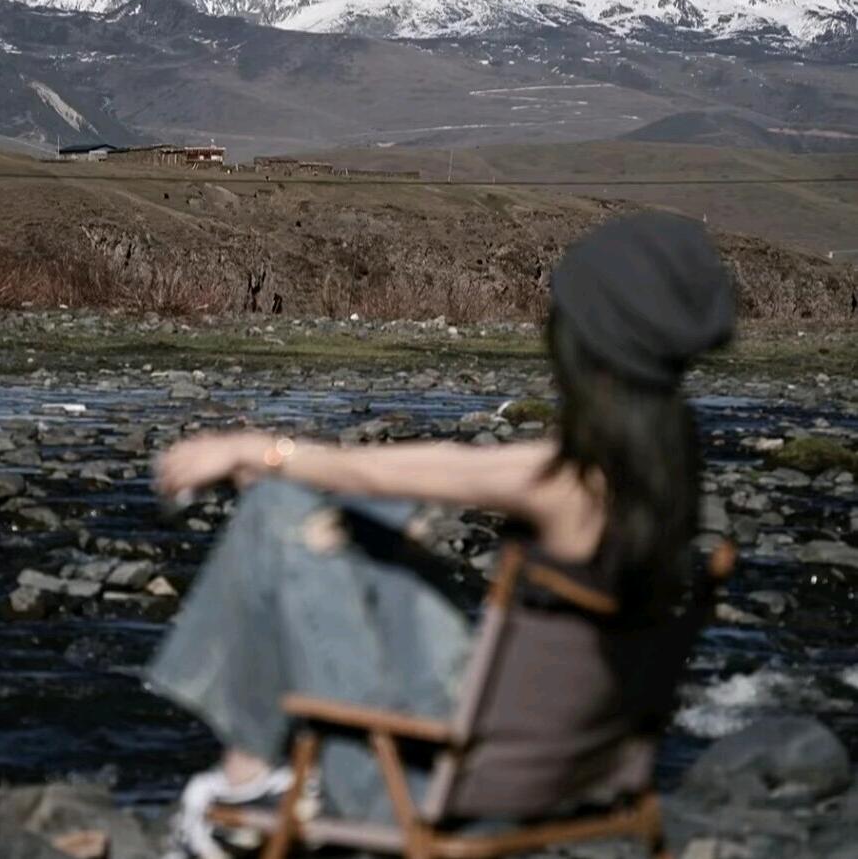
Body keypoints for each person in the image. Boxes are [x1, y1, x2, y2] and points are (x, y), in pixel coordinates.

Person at [150, 211, 735, 859]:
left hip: (460, 790)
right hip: (578, 770)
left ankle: (245, 785)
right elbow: (426, 472)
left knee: (277, 509)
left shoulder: (569, 482)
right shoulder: (668, 462)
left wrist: (260, 447)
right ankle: (251, 769)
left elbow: (440, 466)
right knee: (371, 516)